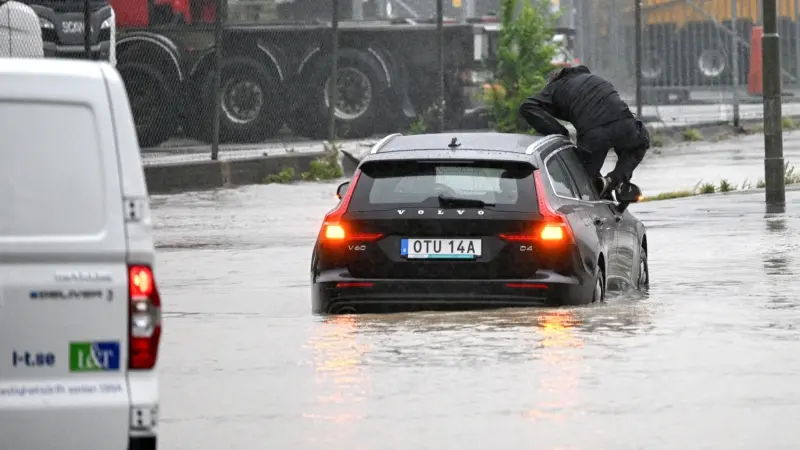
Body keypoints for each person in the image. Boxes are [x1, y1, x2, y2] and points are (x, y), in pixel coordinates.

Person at [519, 65, 651, 198]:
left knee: (582, 180)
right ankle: (613, 181)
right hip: (625, 124)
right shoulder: (596, 79)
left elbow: (527, 106)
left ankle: (591, 195)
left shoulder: (556, 87)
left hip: (594, 135)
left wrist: (559, 133)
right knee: (638, 144)